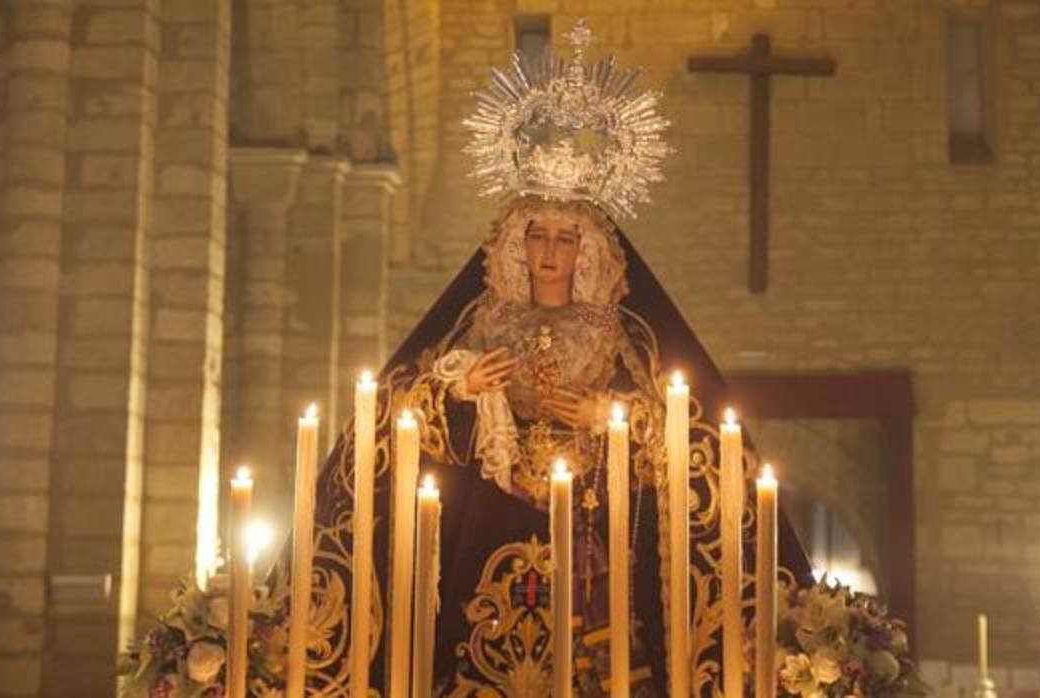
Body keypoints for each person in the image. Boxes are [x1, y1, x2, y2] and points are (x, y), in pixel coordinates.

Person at [287, 20, 812, 696]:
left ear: (589, 250)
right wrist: (461, 388)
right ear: (515, 243)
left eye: (567, 238)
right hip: (488, 524)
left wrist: (612, 414)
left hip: (596, 529)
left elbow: (691, 437)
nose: (550, 251)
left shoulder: (627, 338)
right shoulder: (478, 324)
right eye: (537, 234)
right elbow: (398, 422)